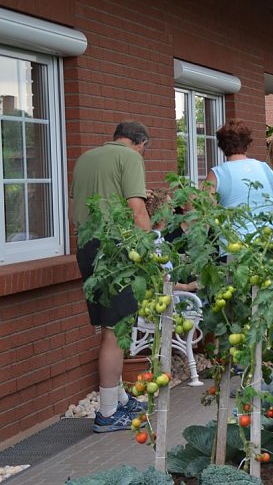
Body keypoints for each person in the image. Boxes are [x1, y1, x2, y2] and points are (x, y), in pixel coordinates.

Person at [72, 121, 151, 433]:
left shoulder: (85, 159)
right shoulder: (130, 158)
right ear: (138, 142)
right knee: (115, 331)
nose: (142, 155)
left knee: (110, 326)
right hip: (116, 249)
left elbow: (73, 209)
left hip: (87, 247)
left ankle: (117, 398)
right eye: (144, 149)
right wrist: (151, 248)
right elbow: (137, 208)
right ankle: (107, 413)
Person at [206, 120, 273, 241]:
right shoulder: (266, 169)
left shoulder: (217, 174)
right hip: (268, 242)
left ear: (221, 146)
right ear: (247, 143)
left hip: (234, 246)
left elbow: (206, 213)